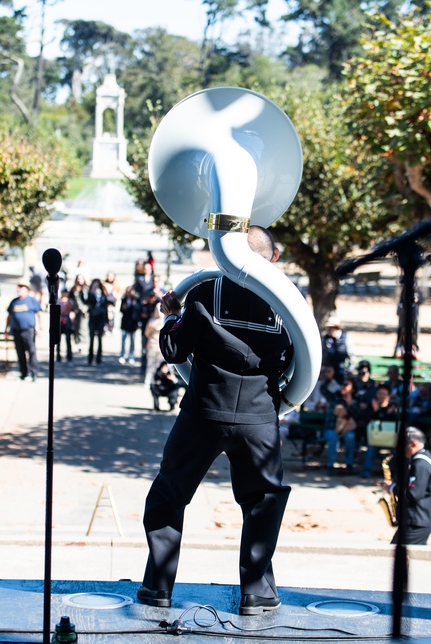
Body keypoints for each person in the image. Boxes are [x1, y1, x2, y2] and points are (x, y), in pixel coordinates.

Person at [139, 225, 291, 616]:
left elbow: (174, 349)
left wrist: (173, 317)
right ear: (272, 258)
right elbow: (298, 359)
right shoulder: (288, 302)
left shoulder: (206, 292)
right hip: (260, 416)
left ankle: (158, 586)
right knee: (262, 502)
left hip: (203, 410)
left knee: (169, 495)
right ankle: (256, 592)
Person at [384, 427, 431, 545]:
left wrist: (392, 488)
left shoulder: (420, 464)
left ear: (413, 444)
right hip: (415, 520)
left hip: (416, 522)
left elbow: (414, 493)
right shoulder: (420, 459)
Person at [6, 280, 43, 381]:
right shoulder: (14, 302)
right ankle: (24, 373)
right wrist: (7, 329)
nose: (19, 289)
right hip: (17, 330)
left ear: (27, 289)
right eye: (19, 287)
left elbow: (39, 314)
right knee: (20, 353)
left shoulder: (31, 301)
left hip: (28, 330)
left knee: (31, 351)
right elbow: (9, 316)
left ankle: (34, 372)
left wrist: (40, 328)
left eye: (22, 287)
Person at [325, 379, 359, 476]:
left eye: (346, 385)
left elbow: (359, 416)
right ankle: (330, 466)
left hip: (347, 429)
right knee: (332, 437)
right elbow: (323, 389)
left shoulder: (355, 401)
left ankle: (349, 465)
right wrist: (329, 377)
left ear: (352, 389)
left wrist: (350, 404)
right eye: (342, 384)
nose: (343, 386)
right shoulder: (334, 398)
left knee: (350, 437)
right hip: (332, 428)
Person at [84, 278, 114, 366]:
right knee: (92, 338)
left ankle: (99, 358)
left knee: (100, 339)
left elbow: (106, 305)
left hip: (100, 318)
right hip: (93, 318)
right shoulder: (91, 294)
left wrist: (106, 318)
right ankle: (90, 358)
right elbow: (87, 302)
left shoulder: (103, 295)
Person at [322, 315, 352, 383]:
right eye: (329, 328)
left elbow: (351, 355)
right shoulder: (326, 339)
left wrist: (350, 370)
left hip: (341, 370)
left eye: (332, 328)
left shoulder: (345, 338)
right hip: (328, 370)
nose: (330, 330)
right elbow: (323, 355)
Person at [118, 286, 142, 364]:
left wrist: (134, 305)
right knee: (124, 340)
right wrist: (124, 307)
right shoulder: (124, 300)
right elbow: (121, 310)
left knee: (132, 340)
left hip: (133, 324)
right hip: (125, 322)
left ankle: (131, 356)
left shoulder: (136, 300)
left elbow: (138, 310)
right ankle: (123, 355)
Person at [55, 289, 74, 363]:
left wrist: (67, 301)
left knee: (68, 340)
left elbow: (72, 308)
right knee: (58, 340)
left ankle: (69, 357)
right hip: (60, 320)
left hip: (67, 320)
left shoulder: (70, 301)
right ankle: (58, 357)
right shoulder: (59, 301)